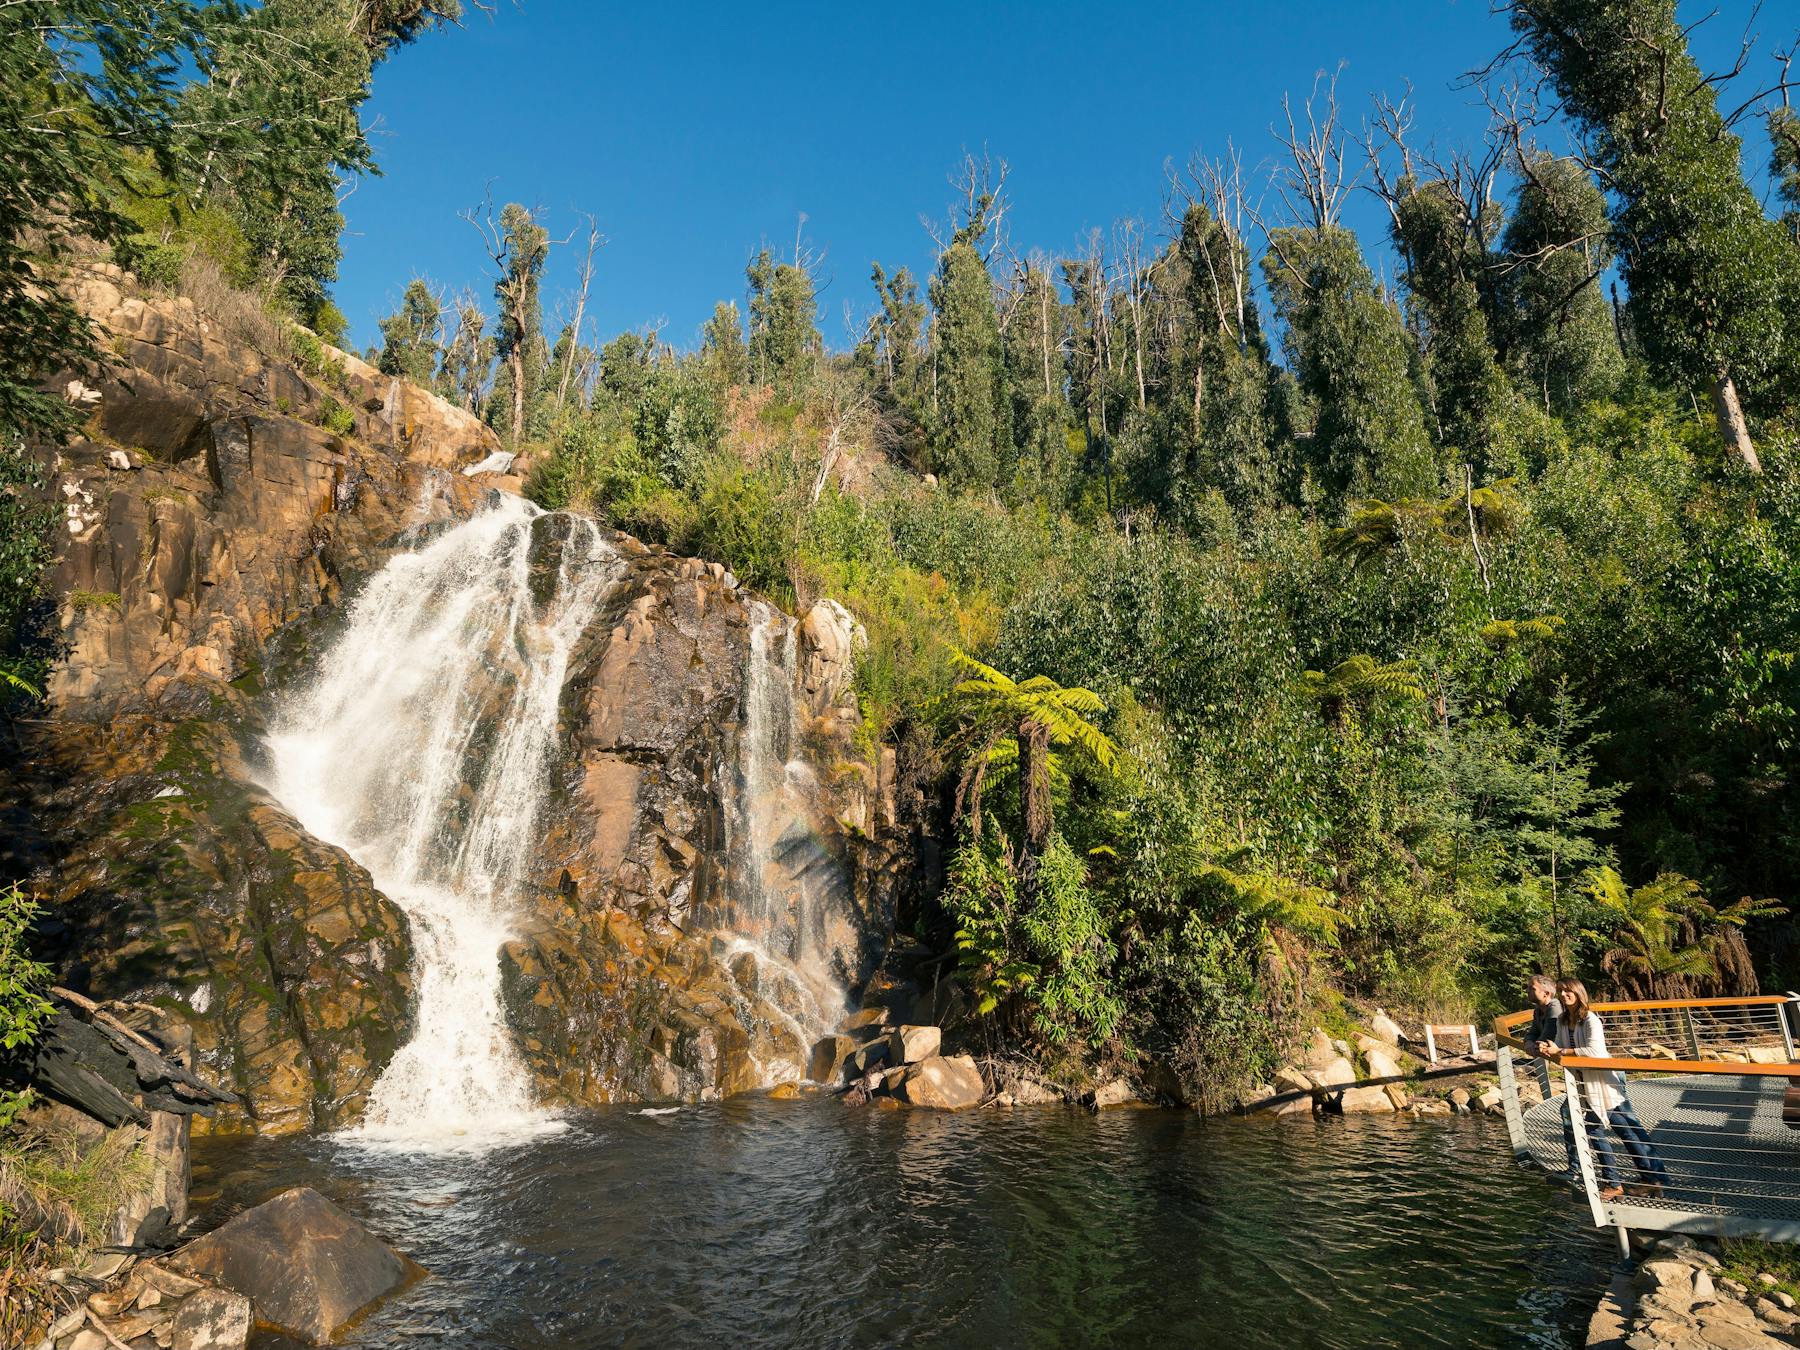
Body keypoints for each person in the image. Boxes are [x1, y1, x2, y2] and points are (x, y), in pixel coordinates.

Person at [1537, 977, 1670, 1201]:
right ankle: (1649, 1180)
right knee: (1618, 1130)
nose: (1563, 995)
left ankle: (1627, 1181)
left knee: (1611, 1130)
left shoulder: (1589, 1019)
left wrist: (1563, 1051)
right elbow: (1561, 1051)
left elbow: (1595, 1051)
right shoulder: (1561, 1021)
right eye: (1560, 991)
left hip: (1604, 1082)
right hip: (1583, 1085)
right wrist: (1549, 1048)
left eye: (1568, 991)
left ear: (1579, 993)